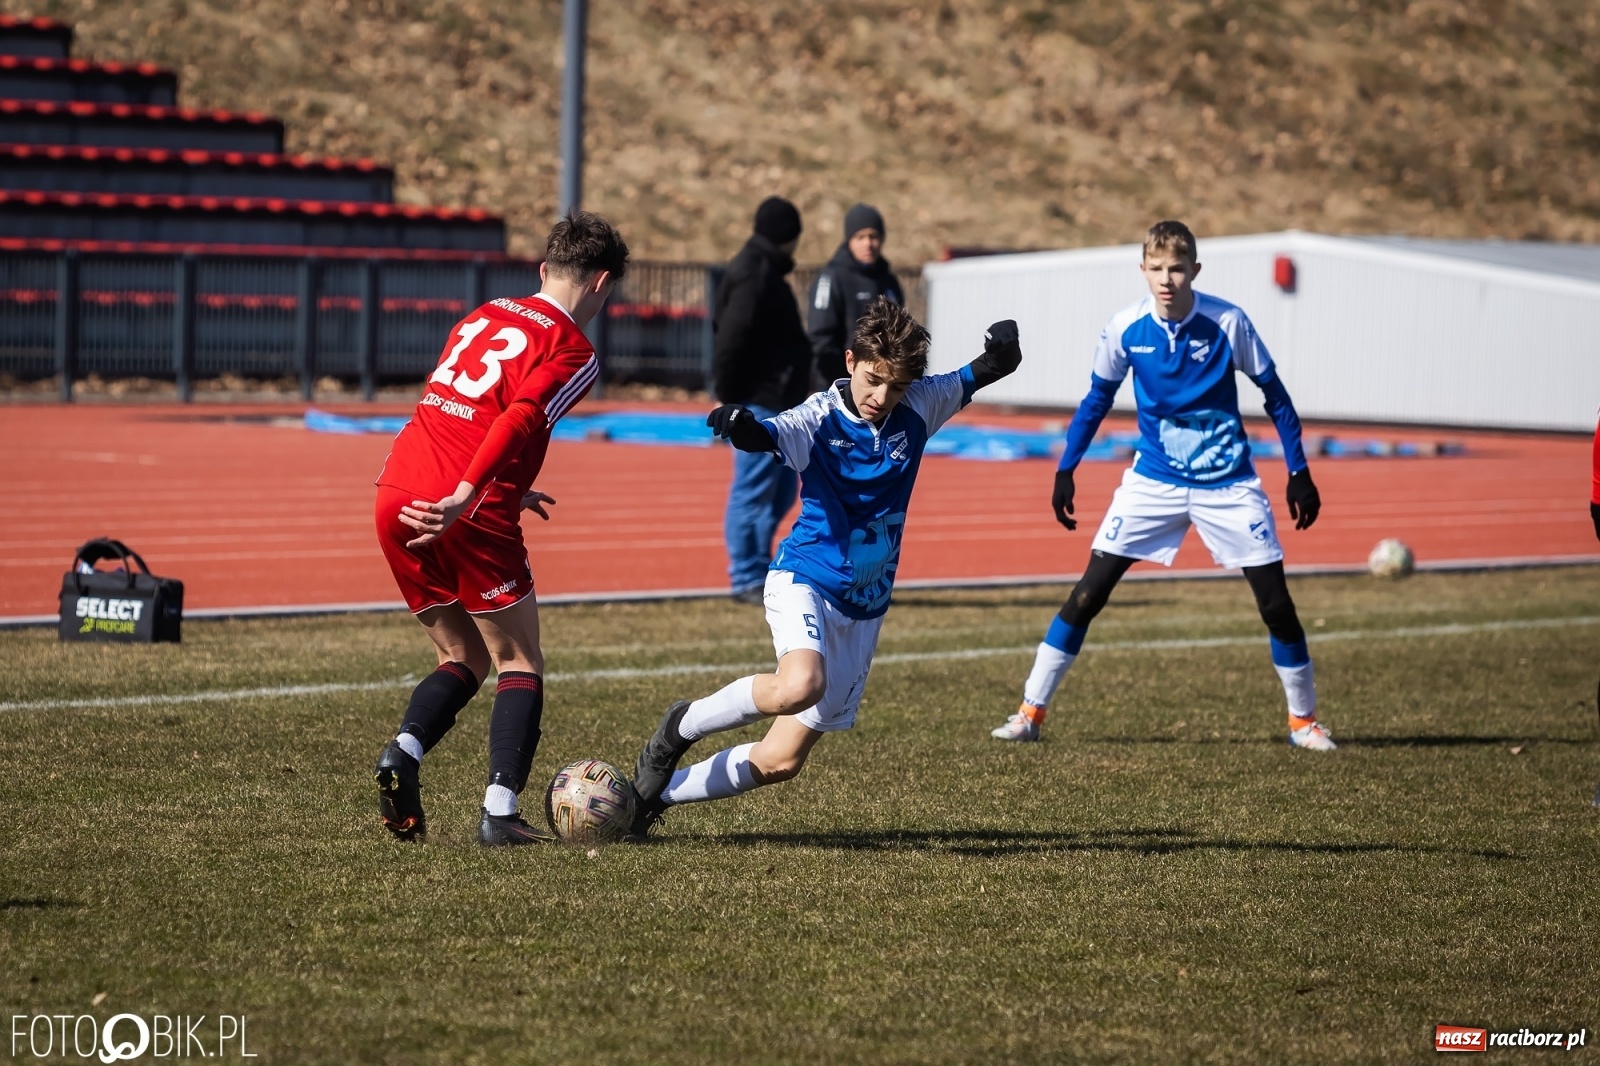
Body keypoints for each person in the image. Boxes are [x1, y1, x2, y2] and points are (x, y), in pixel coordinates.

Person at [627, 299, 1023, 836]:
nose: (882, 397)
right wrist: (742, 424)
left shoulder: (919, 406)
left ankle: (650, 800)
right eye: (873, 379)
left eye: (897, 386)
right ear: (851, 360)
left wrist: (1004, 349)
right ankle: (681, 727)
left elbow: (982, 372)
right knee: (800, 684)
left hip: (863, 610)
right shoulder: (818, 417)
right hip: (805, 579)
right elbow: (767, 433)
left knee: (780, 761)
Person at [989, 220, 1334, 750]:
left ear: (1195, 270)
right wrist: (1066, 468)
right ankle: (1028, 714)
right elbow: (1095, 400)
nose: (1167, 278)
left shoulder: (1228, 322)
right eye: (1156, 268)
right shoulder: (1126, 327)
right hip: (1154, 481)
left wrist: (1298, 471)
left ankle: (1303, 723)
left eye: (1177, 268)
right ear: (1142, 270)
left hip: (1229, 484)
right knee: (1087, 593)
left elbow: (1276, 396)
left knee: (1275, 604)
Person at [370, 210, 630, 846]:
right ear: (602, 285)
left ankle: (403, 753)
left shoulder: (486, 312)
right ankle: (499, 811)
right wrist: (469, 494)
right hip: (464, 501)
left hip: (397, 488)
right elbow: (517, 416)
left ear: (543, 270)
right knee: (520, 660)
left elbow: (453, 405)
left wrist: (506, 488)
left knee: (461, 655)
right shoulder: (574, 349)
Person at [712, 196, 814, 604]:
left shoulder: (763, 269)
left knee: (780, 491)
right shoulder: (755, 273)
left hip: (776, 400)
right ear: (788, 237)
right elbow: (731, 341)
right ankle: (745, 576)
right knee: (753, 491)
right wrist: (733, 400)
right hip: (758, 400)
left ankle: (758, 565)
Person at [807, 203, 905, 387]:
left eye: (873, 236)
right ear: (849, 240)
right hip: (838, 385)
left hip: (881, 387)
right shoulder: (831, 277)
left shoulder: (889, 282)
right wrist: (845, 379)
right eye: (860, 237)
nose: (868, 243)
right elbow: (819, 339)